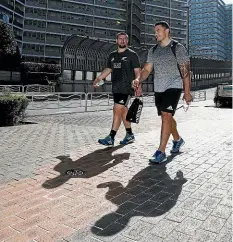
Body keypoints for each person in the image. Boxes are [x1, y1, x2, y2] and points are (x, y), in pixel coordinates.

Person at [132, 21, 192, 163]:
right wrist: (138, 79)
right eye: (155, 31)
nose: (156, 33)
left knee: (166, 115)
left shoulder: (178, 48)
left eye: (158, 30)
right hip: (159, 88)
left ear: (167, 31)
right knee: (167, 117)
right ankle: (177, 140)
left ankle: (161, 151)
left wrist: (187, 92)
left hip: (174, 86)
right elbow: (147, 69)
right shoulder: (153, 51)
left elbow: (185, 72)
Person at [93, 32, 141, 147]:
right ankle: (129, 135)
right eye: (120, 39)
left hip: (127, 88)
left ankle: (111, 137)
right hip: (116, 88)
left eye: (125, 39)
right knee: (123, 111)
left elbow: (138, 72)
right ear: (116, 41)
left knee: (116, 109)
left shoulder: (132, 55)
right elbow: (108, 69)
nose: (123, 41)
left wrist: (138, 85)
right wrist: (99, 78)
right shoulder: (112, 55)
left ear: (127, 41)